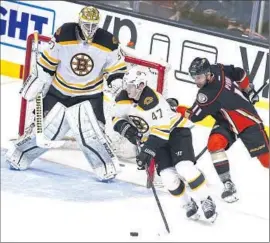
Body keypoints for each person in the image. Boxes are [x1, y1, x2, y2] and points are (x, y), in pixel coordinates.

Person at [5, 6, 127, 181]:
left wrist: (116, 81)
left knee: (92, 134)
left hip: (90, 94)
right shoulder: (64, 34)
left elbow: (116, 67)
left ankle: (105, 166)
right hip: (59, 91)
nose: (90, 29)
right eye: (86, 24)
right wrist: (38, 81)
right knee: (45, 130)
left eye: (93, 25)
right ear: (79, 21)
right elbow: (47, 63)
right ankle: (19, 154)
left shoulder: (109, 41)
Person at [111, 65, 218, 223]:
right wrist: (130, 133)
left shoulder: (152, 101)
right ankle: (188, 204)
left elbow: (161, 132)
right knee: (168, 177)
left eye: (131, 86)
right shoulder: (123, 97)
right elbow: (116, 118)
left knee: (184, 168)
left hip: (176, 133)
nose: (128, 89)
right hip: (155, 139)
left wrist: (146, 151)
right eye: (127, 85)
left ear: (141, 85)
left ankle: (206, 200)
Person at [175, 57, 269, 203]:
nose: (196, 81)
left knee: (267, 162)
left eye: (198, 77)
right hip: (226, 122)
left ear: (207, 74)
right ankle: (228, 184)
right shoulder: (218, 69)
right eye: (194, 78)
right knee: (214, 144)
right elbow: (240, 73)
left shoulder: (207, 95)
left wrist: (176, 108)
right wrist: (248, 89)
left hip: (247, 121)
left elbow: (194, 116)